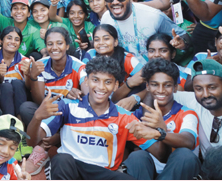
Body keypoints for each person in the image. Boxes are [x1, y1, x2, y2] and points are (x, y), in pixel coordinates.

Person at [26, 55, 166, 179]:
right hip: (72, 170)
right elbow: (32, 142)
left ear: (116, 85)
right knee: (62, 160)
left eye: (108, 82)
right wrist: (37, 117)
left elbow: (161, 155)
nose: (101, 87)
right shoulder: (67, 106)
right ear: (86, 81)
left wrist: (161, 130)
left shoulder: (124, 117)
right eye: (95, 80)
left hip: (103, 174)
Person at [123, 58, 202, 180]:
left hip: (179, 172)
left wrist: (161, 131)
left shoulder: (187, 113)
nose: (160, 90)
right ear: (148, 87)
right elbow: (159, 155)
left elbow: (188, 141)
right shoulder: (140, 114)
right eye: (155, 85)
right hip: (149, 172)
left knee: (184, 154)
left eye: (167, 85)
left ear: (175, 87)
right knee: (137, 156)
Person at [100, 0, 190, 64]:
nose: (115, 2)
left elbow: (184, 36)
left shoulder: (153, 16)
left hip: (153, 72)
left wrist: (182, 43)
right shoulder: (106, 18)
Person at [172, 51, 222, 155]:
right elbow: (159, 94)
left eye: (212, 87)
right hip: (209, 169)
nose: (206, 94)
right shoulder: (194, 101)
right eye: (198, 89)